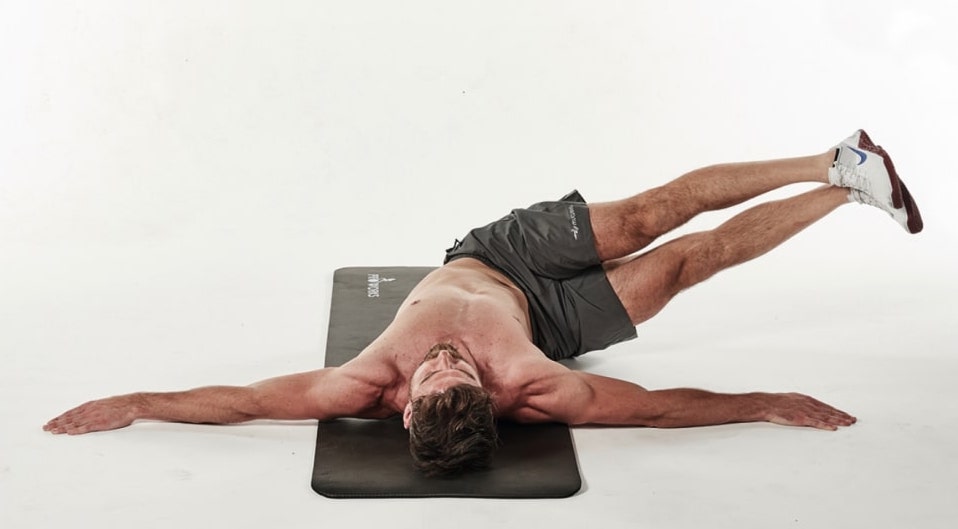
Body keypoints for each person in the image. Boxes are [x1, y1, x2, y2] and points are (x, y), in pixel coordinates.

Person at [44, 130, 922, 476]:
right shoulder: (542, 388)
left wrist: (139, 401)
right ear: (492, 398)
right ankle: (848, 190)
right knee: (688, 261)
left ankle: (829, 154)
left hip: (499, 256)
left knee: (650, 214)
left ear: (402, 405)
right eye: (449, 369)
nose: (442, 358)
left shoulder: (360, 382)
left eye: (439, 369)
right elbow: (656, 412)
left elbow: (238, 402)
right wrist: (762, 402)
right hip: (555, 327)